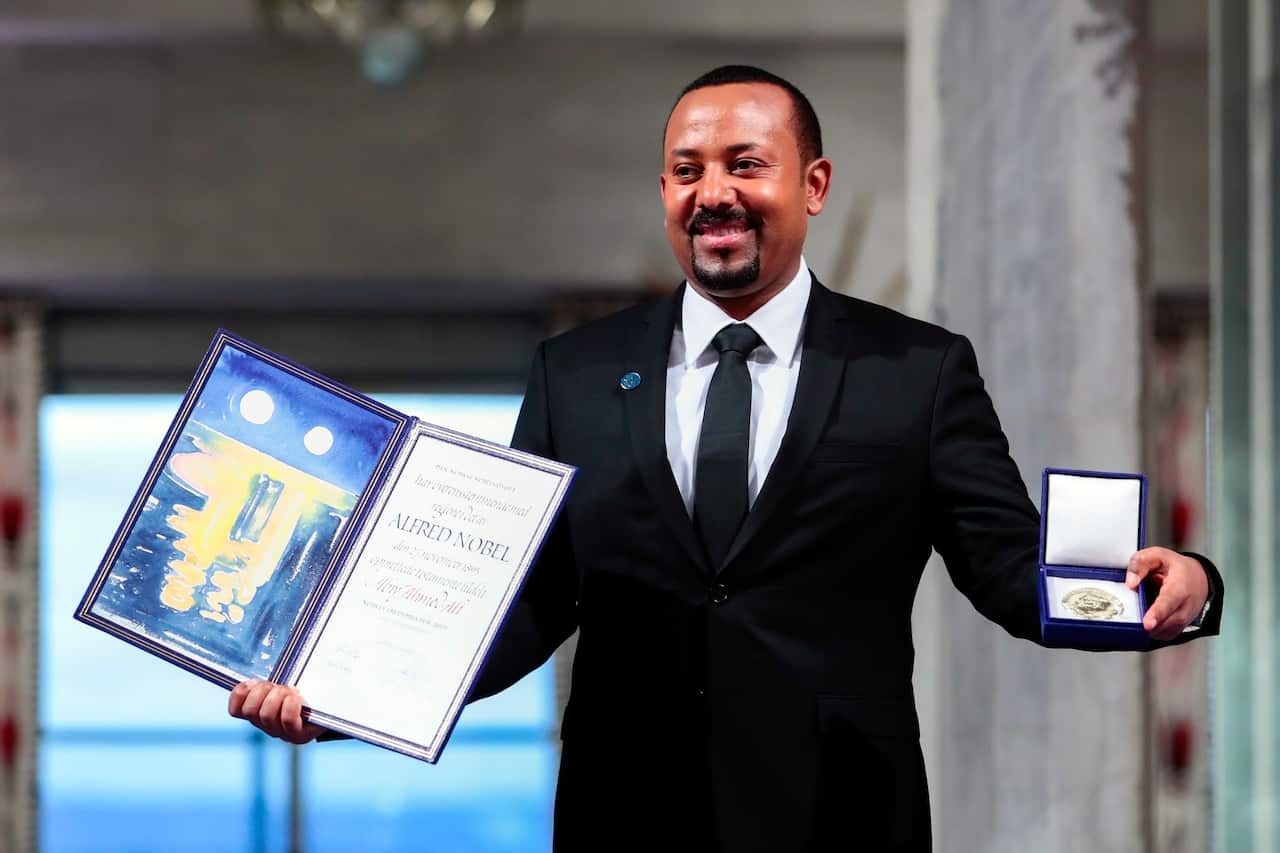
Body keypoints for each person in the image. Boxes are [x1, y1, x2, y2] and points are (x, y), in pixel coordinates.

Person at [230, 65, 1223, 851]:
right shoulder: (575, 373)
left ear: (813, 184)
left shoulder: (916, 372)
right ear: (664, 189)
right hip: (623, 814)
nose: (713, 194)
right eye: (686, 170)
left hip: (842, 816)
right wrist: (342, 699)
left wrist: (1175, 586)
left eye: (745, 164)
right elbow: (525, 601)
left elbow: (1007, 567)